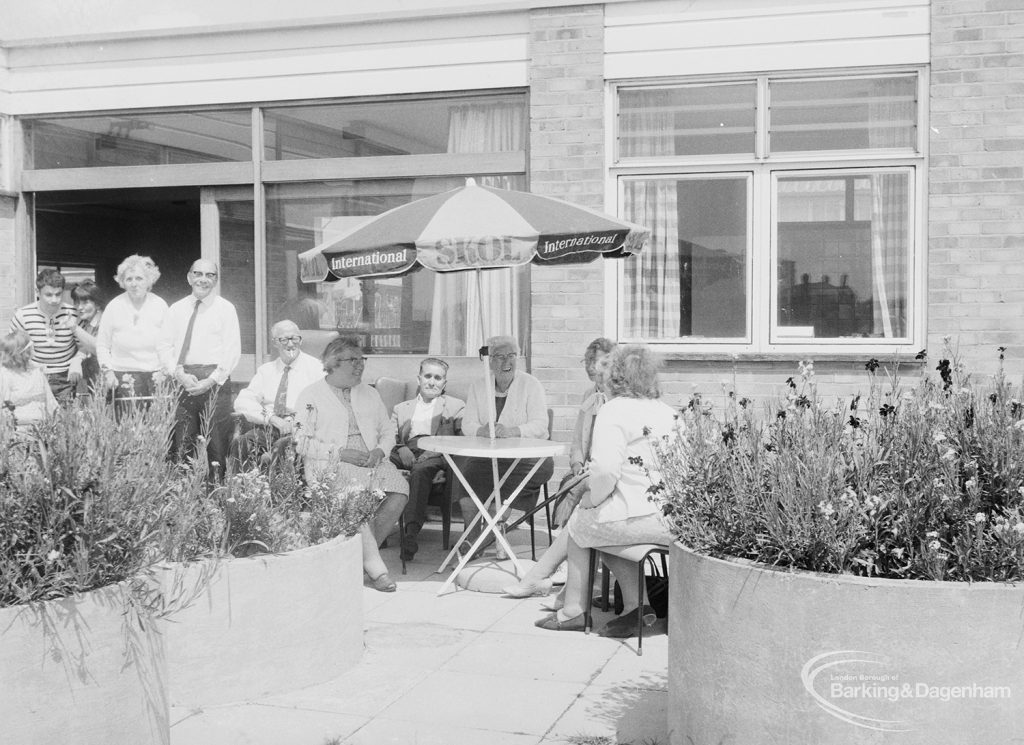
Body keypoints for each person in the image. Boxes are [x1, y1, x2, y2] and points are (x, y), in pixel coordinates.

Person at [534, 345, 677, 637]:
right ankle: (638, 609)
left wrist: (591, 500)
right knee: (603, 529)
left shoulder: (614, 409)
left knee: (580, 525)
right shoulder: (669, 412)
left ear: (616, 377)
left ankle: (573, 611)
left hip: (639, 518)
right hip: (672, 521)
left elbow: (605, 471)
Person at [293, 335, 410, 592]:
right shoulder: (311, 394)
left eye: (361, 359)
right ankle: (376, 569)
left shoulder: (369, 393)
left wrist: (380, 451)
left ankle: (357, 561)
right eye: (352, 360)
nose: (360, 365)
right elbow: (301, 441)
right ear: (333, 363)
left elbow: (387, 429)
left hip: (371, 459)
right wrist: (340, 453)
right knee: (353, 496)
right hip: (332, 462)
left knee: (399, 491)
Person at [503, 337, 616, 598]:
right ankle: (566, 564)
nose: (590, 367)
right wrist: (577, 463)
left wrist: (593, 469)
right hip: (585, 469)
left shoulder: (617, 399)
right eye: (587, 361)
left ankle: (562, 566)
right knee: (568, 486)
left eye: (596, 361)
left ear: (611, 365)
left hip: (605, 473)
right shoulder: (589, 396)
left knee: (575, 494)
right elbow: (578, 439)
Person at [454, 334, 553, 556]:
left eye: (511, 356)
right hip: (489, 457)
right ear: (490, 361)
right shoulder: (479, 385)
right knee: (469, 476)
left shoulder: (531, 384)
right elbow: (467, 424)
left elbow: (540, 425)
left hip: (527, 459)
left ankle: (479, 543)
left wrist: (512, 431)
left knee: (500, 498)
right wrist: (480, 430)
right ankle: (471, 537)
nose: (506, 362)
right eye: (499, 357)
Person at [163, 259, 240, 476]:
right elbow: (164, 346)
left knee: (217, 447)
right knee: (182, 444)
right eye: (198, 274)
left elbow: (232, 350)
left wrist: (210, 381)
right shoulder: (176, 309)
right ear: (189, 277)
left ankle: (218, 501)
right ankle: (185, 503)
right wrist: (178, 373)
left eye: (210, 275)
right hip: (183, 380)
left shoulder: (226, 309)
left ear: (216, 280)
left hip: (214, 382)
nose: (203, 279)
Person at [389, 357, 465, 561]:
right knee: (380, 463)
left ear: (444, 383)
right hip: (404, 450)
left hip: (436, 452)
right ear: (419, 378)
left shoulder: (456, 407)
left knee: (422, 471)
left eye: (438, 378)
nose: (432, 382)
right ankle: (376, 527)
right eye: (428, 376)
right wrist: (401, 447)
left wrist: (434, 453)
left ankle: (411, 534)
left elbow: (461, 441)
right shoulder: (401, 408)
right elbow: (388, 437)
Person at [231, 320, 324, 471]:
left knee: (281, 447)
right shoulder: (266, 371)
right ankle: (243, 490)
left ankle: (276, 492)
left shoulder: (317, 369)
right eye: (284, 339)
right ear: (275, 343)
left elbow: (325, 404)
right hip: (270, 427)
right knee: (241, 443)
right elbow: (243, 401)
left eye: (294, 338)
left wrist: (298, 422)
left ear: (301, 340)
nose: (290, 344)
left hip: (300, 429)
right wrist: (272, 419)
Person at [96, 255, 170, 403]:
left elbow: (169, 342)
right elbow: (102, 345)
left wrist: (166, 369)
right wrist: (108, 372)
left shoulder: (160, 305)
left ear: (149, 280)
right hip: (123, 375)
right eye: (129, 279)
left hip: (155, 375)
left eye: (139, 278)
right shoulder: (114, 306)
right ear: (122, 282)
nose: (134, 283)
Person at [9, 269, 78, 404]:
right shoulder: (22, 315)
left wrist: (77, 361)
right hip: (33, 376)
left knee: (66, 421)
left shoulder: (73, 313)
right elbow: (13, 349)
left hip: (65, 379)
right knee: (36, 421)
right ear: (37, 292)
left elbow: (84, 346)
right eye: (48, 295)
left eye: (58, 294)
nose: (54, 300)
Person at [0, 330, 58, 430]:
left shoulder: (37, 371)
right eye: (30, 347)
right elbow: (4, 409)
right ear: (21, 352)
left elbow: (50, 402)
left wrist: (58, 421)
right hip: (17, 429)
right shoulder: (5, 375)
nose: (32, 349)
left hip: (43, 428)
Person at [69, 280, 106, 396]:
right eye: (76, 302)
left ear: (97, 303)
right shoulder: (85, 323)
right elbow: (84, 348)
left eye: (85, 302)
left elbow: (98, 348)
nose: (79, 307)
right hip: (92, 379)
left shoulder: (105, 321)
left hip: (106, 380)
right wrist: (76, 360)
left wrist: (74, 328)